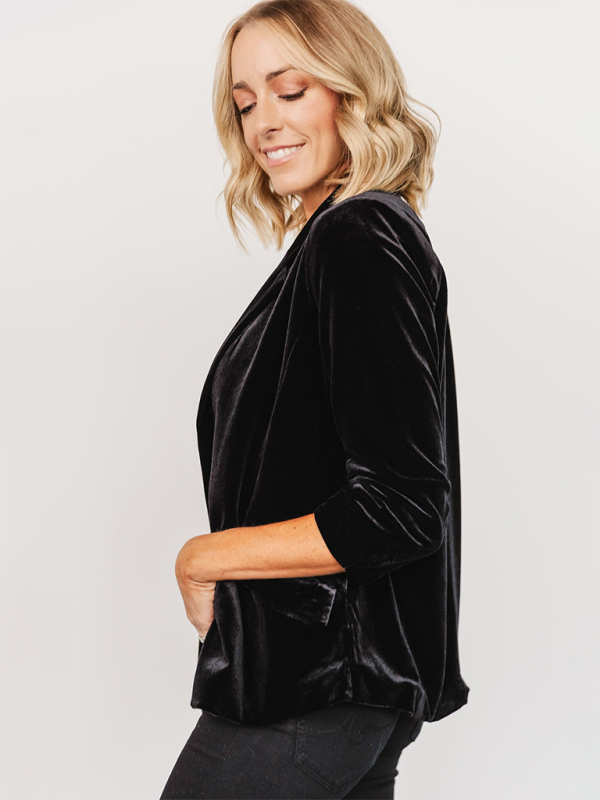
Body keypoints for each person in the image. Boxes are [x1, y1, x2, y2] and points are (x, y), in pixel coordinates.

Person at [159, 0, 470, 797]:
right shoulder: (352, 240)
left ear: (352, 92)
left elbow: (401, 506)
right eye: (244, 102)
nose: (264, 121)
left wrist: (203, 557)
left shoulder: (356, 237)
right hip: (343, 689)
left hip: (315, 683)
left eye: (290, 89)